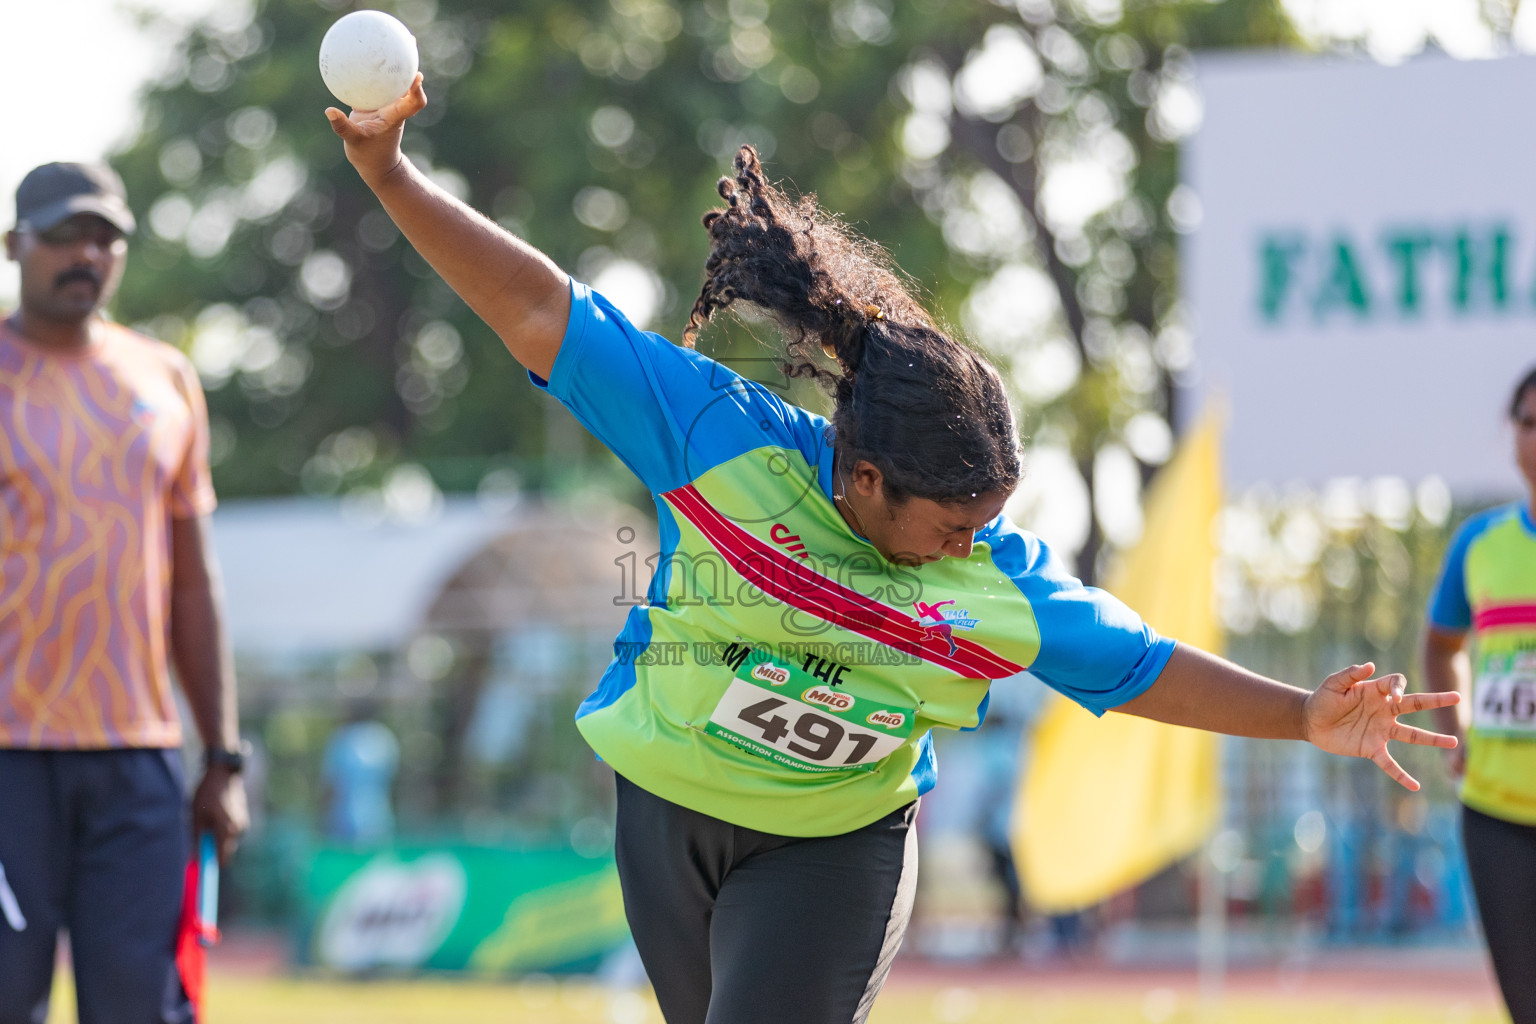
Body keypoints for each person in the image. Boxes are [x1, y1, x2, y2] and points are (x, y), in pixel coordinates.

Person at [327, 78, 1458, 1024]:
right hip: (666, 813)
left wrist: (1304, 714)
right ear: (863, 478)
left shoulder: (993, 583)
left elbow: (1140, 664)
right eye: (954, 523)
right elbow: (540, 314)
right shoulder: (724, 443)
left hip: (832, 841)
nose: (976, 542)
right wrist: (389, 176)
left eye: (987, 519)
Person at [0, 162, 249, 1024]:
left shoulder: (167, 378)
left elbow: (193, 578)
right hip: (7, 756)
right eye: (66, 234)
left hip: (138, 761)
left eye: (106, 236)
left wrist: (221, 755)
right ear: (15, 246)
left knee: (141, 1008)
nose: (88, 253)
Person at [1422, 365, 1536, 1024]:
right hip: (1495, 817)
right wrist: (1454, 727)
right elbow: (1441, 643)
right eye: (1527, 421)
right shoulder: (1479, 544)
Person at [320, 703, 400, 846]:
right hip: (380, 819)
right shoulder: (384, 737)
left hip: (343, 821)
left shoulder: (343, 738)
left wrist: (322, 818)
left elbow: (330, 784)